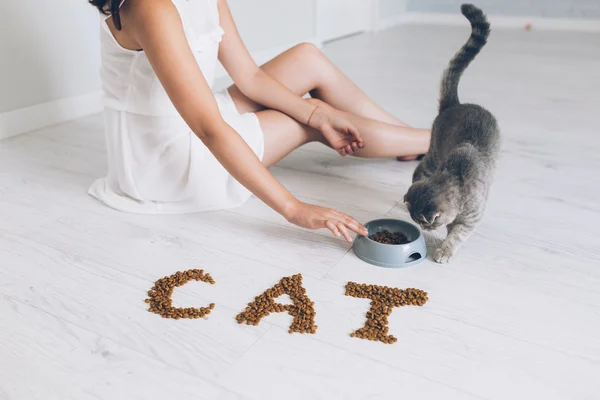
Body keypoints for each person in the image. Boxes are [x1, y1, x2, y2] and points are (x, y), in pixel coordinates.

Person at [88, 0, 430, 242]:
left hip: (198, 115)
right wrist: (293, 209)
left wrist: (317, 110)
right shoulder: (150, 7)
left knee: (307, 59)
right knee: (303, 122)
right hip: (166, 162)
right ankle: (435, 140)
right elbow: (208, 127)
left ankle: (407, 140)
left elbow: (249, 76)